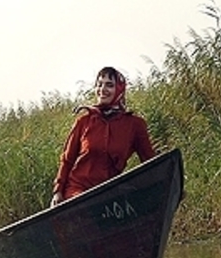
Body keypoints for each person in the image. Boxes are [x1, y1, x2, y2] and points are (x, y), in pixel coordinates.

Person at [51, 66, 156, 206]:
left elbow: (150, 162)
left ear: (119, 89)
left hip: (109, 193)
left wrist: (169, 185)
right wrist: (58, 191)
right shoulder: (84, 122)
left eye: (109, 85)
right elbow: (67, 160)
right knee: (84, 205)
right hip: (78, 191)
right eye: (99, 84)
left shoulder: (134, 125)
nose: (103, 89)